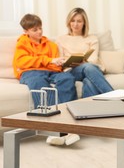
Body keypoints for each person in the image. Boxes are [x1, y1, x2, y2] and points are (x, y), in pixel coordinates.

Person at [13, 14, 80, 146]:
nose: (39, 32)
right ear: (26, 31)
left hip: (51, 72)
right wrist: (47, 60)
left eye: (40, 28)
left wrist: (58, 62)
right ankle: (54, 129)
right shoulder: (22, 43)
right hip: (30, 72)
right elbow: (21, 62)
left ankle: (68, 123)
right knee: (38, 83)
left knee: (67, 78)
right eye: (34, 30)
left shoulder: (51, 45)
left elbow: (54, 66)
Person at [56, 7, 113, 98]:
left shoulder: (92, 38)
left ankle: (88, 109)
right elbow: (60, 60)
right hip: (72, 71)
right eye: (73, 21)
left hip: (90, 68)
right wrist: (67, 62)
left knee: (88, 82)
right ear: (69, 22)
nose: (75, 24)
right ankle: (115, 96)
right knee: (88, 67)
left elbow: (93, 59)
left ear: (84, 23)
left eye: (79, 21)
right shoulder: (61, 39)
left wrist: (82, 62)